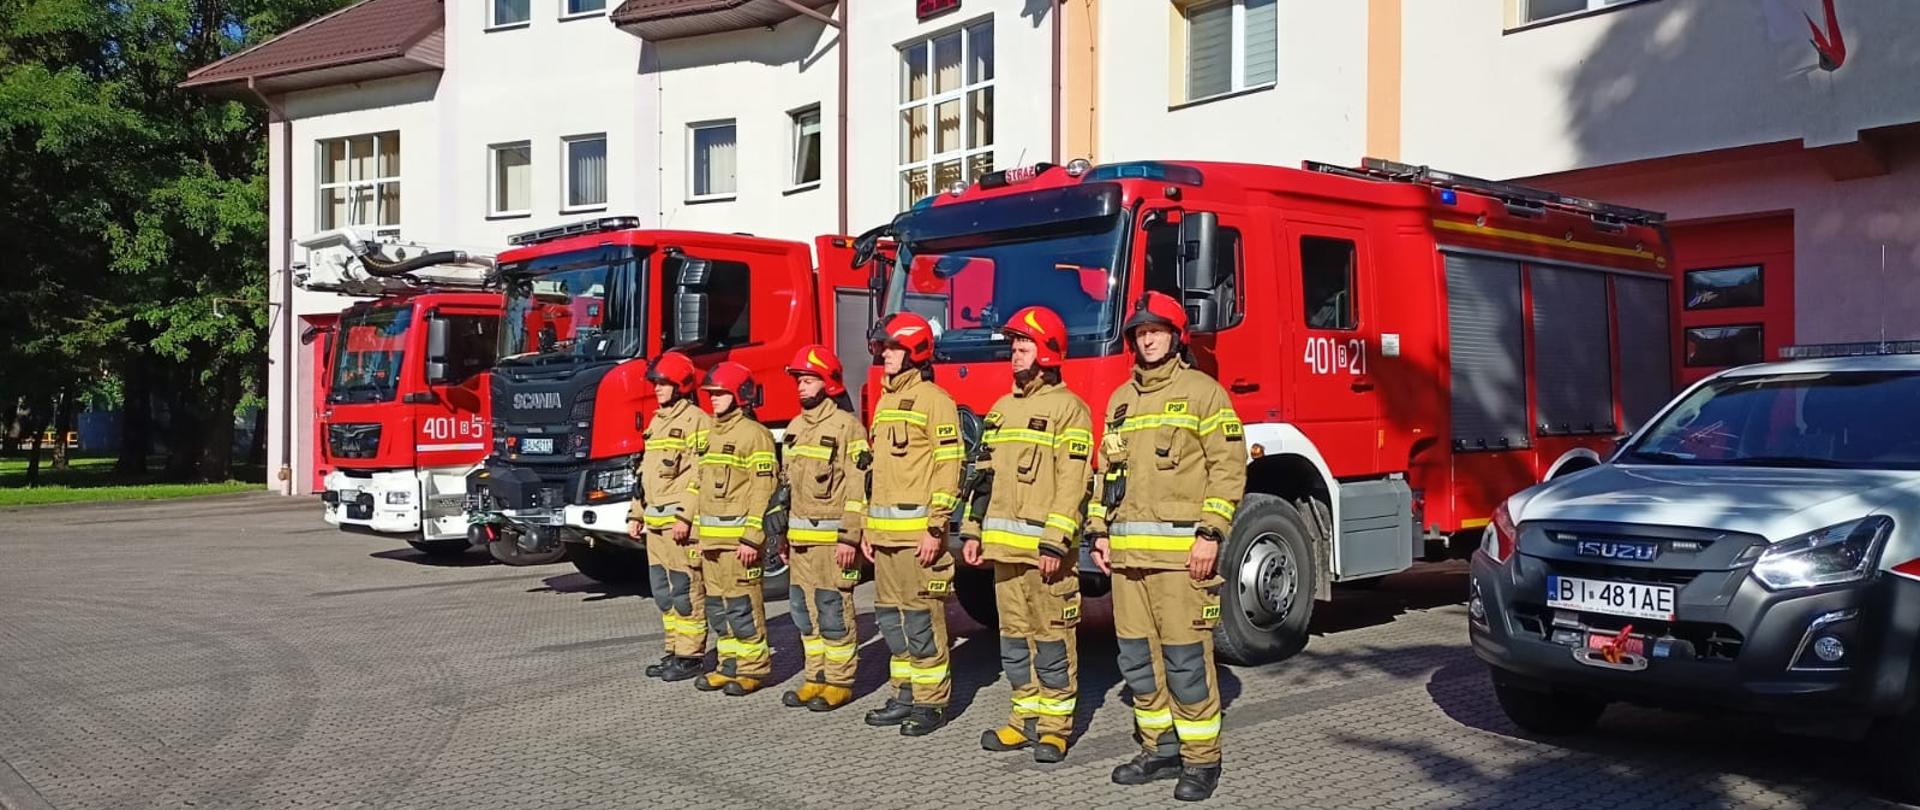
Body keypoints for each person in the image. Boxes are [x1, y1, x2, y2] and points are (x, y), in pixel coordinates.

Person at [1085, 291, 1246, 802]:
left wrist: (1210, 534)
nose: (1147, 338)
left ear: (1176, 337)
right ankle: (1158, 749)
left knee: (1185, 661)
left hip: (1181, 560)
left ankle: (1202, 760)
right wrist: (1098, 532)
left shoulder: (1205, 393)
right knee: (1136, 662)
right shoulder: (1120, 400)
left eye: (1156, 330)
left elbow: (1228, 470)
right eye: (1139, 332)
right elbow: (1104, 473)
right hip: (1128, 561)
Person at [958, 306, 1093, 764]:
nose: (1015, 353)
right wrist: (973, 531)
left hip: (1045, 556)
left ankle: (1055, 729)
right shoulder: (1000, 409)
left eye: (1024, 345)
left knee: (1053, 641)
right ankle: (1023, 721)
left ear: (1048, 351)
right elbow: (983, 479)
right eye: (1014, 345)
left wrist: (1056, 542)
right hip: (1004, 552)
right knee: (1015, 643)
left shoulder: (1069, 410)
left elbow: (1074, 485)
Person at [861, 312, 965, 737]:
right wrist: (868, 525)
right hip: (885, 537)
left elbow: (948, 465)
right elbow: (878, 473)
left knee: (923, 620)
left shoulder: (934, 400)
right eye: (882, 348)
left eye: (893, 347)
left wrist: (936, 527)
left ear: (916, 351)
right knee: (891, 619)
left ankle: (931, 702)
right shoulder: (884, 402)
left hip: (918, 536)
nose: (885, 354)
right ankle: (904, 693)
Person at [776, 345, 869, 712]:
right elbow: (788, 485)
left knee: (832, 610)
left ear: (827, 383)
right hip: (800, 541)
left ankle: (839, 680)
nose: (801, 386)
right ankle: (814, 676)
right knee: (803, 611)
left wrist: (850, 536)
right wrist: (781, 534)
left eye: (809, 379)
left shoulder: (847, 428)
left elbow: (857, 486)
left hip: (833, 542)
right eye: (799, 380)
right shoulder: (796, 428)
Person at [690, 361, 780, 696]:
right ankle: (727, 665)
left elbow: (763, 490)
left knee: (742, 606)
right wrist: (699, 536)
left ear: (739, 396)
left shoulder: (754, 436)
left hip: (738, 543)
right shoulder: (710, 434)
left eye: (720, 394)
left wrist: (752, 538)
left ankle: (752, 669)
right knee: (717, 607)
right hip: (712, 542)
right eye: (711, 394)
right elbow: (700, 489)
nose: (713, 399)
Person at [627, 351, 712, 682]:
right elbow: (644, 473)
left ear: (681, 385)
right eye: (656, 383)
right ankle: (673, 648)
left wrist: (686, 518)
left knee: (685, 589)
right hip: (654, 523)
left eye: (663, 384)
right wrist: (636, 513)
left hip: (678, 524)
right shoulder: (657, 420)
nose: (657, 389)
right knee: (662, 590)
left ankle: (690, 655)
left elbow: (700, 474)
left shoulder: (696, 421)